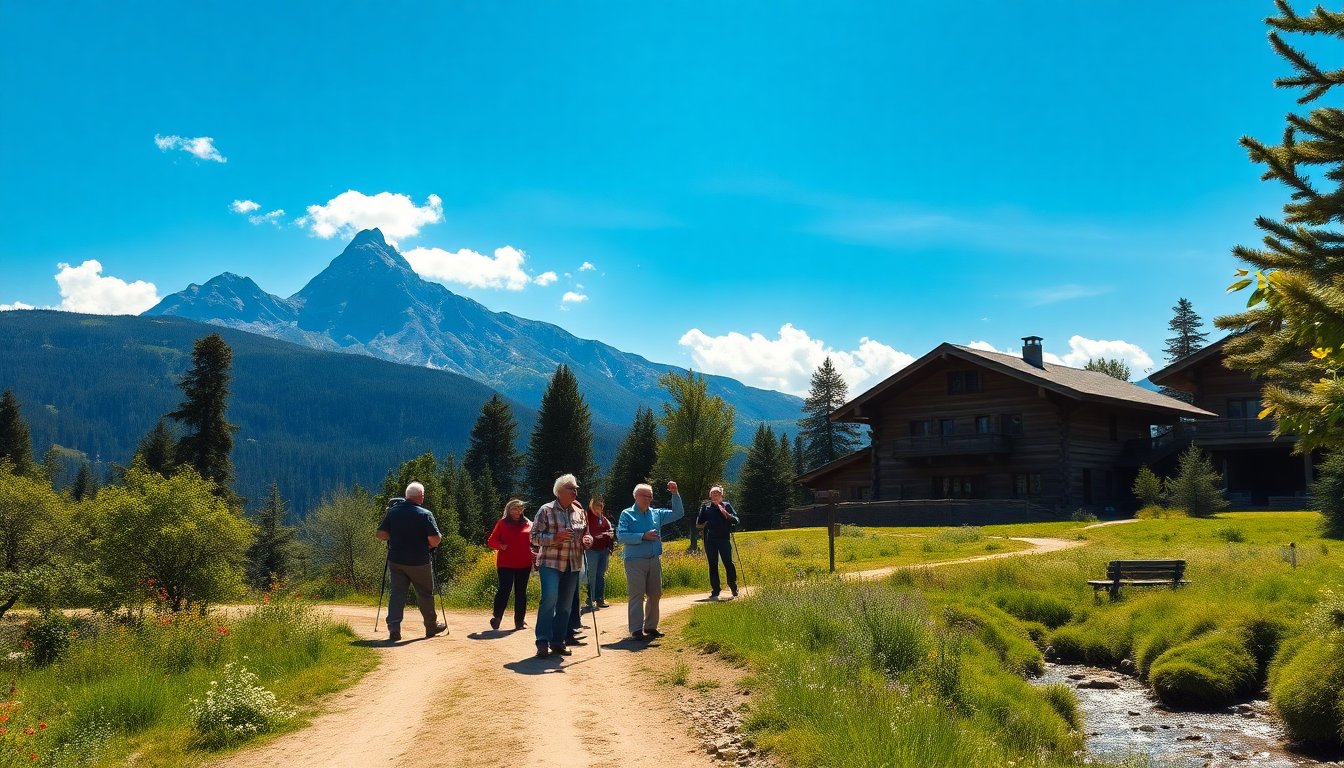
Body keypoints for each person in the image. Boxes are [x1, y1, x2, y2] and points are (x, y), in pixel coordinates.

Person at [376, 482, 448, 642]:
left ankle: (394, 628)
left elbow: (381, 534)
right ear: (420, 496)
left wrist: (395, 535)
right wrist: (428, 543)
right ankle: (431, 627)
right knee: (424, 594)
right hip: (419, 561)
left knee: (397, 594)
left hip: (396, 560)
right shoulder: (425, 514)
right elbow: (435, 540)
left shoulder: (392, 512)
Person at [530, 474, 592, 658]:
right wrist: (554, 538)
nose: (575, 491)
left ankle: (558, 642)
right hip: (550, 563)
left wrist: (587, 540)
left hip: (573, 564)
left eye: (576, 488)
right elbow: (533, 538)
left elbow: (585, 536)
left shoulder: (580, 512)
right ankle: (542, 641)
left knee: (565, 606)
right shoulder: (546, 510)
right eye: (571, 488)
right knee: (549, 598)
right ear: (559, 491)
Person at [615, 480, 682, 641]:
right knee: (637, 594)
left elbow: (678, 514)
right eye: (645, 496)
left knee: (655, 593)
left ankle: (651, 626)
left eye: (650, 496)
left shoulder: (656, 513)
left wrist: (675, 494)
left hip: (654, 559)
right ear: (635, 496)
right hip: (634, 560)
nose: (648, 499)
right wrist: (642, 536)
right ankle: (636, 629)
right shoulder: (627, 514)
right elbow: (621, 536)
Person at [487, 498, 532, 631]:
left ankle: (519, 622)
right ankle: (497, 617)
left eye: (520, 508)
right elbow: (491, 541)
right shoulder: (502, 523)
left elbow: (534, 539)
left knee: (521, 592)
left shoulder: (528, 523)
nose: (518, 511)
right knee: (504, 590)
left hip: (524, 563)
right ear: (508, 510)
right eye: (514, 508)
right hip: (506, 563)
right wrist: (500, 545)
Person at [696, 485, 740, 601]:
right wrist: (705, 521)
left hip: (724, 539)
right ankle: (715, 590)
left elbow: (736, 520)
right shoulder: (706, 508)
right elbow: (699, 523)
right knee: (713, 564)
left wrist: (727, 514)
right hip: (710, 540)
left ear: (721, 495)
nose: (715, 495)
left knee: (728, 563)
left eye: (717, 493)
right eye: (713, 493)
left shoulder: (727, 505)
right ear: (710, 496)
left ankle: (733, 585)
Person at [584, 495, 614, 611]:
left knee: (600, 575)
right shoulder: (586, 517)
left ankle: (600, 598)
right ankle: (590, 600)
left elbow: (609, 531)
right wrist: (598, 536)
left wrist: (610, 536)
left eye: (600, 506)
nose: (599, 509)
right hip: (591, 550)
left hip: (604, 550)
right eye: (596, 506)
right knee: (591, 575)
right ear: (591, 506)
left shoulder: (603, 518)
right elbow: (585, 533)